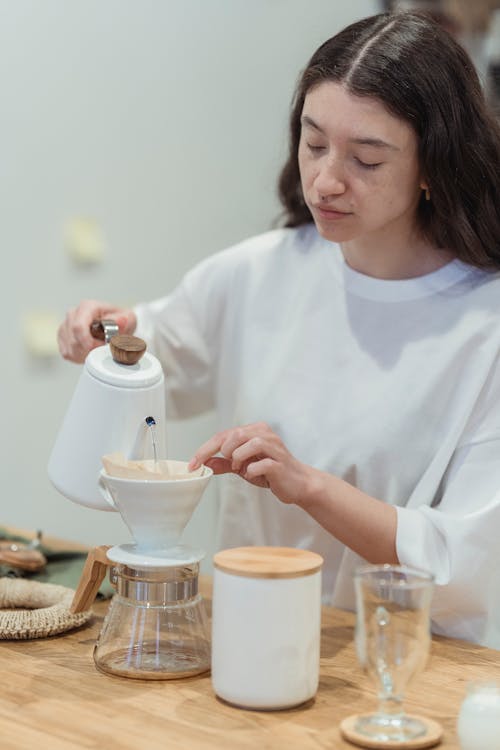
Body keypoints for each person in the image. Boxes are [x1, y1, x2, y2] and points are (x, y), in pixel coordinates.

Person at [58, 10, 500, 648]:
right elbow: (158, 355)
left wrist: (311, 487)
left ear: (435, 165)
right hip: (247, 635)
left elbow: (469, 563)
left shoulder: (483, 327)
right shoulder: (261, 272)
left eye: (366, 160)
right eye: (314, 142)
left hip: (405, 669)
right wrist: (106, 331)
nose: (325, 181)